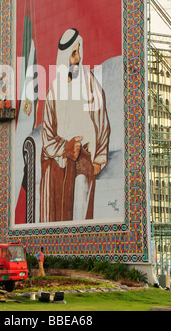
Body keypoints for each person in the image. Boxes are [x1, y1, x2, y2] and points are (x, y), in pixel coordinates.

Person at [39, 28, 110, 223]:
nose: (78, 58)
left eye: (79, 51)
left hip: (85, 153)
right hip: (61, 154)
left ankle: (79, 236)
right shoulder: (54, 89)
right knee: (53, 173)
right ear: (64, 58)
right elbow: (47, 135)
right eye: (73, 54)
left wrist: (99, 159)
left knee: (81, 180)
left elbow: (101, 123)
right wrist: (65, 148)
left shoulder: (90, 83)